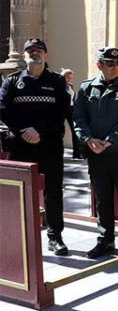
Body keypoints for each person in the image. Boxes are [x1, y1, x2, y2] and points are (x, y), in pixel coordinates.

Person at [0, 39, 70, 255]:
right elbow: (3, 108)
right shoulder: (11, 82)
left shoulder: (58, 82)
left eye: (39, 51)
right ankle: (14, 235)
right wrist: (24, 130)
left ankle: (55, 236)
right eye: (30, 51)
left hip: (48, 144)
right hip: (20, 145)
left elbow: (61, 110)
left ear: (46, 56)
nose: (34, 54)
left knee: (53, 193)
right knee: (15, 193)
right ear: (23, 56)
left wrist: (38, 130)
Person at [73, 47, 118, 258]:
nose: (115, 67)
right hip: (97, 155)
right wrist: (87, 139)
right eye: (110, 63)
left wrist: (110, 140)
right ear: (99, 65)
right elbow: (78, 117)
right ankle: (105, 240)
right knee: (102, 200)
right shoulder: (87, 88)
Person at [61, 68, 82, 159]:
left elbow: (73, 98)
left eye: (71, 77)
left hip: (71, 109)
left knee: (75, 130)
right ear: (63, 77)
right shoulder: (59, 86)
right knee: (61, 131)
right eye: (68, 77)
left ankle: (77, 153)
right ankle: (58, 153)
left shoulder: (70, 86)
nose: (69, 79)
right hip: (62, 110)